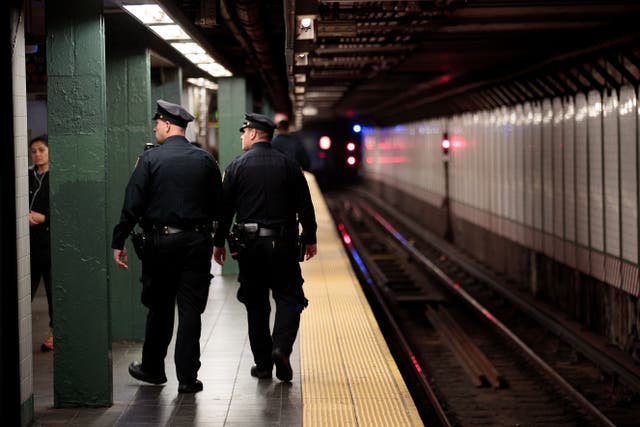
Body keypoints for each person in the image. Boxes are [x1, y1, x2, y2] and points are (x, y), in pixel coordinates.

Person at [112, 100, 223, 394]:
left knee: (160, 308)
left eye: (157, 123)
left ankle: (153, 369)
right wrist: (216, 238)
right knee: (190, 311)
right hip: (197, 243)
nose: (155, 127)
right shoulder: (206, 160)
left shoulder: (149, 160)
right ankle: (187, 378)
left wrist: (118, 239)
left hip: (161, 244)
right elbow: (219, 205)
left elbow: (132, 203)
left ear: (168, 125)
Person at [213, 112, 317, 382]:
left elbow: (225, 210)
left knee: (256, 303)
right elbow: (305, 205)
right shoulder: (289, 165)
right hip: (284, 244)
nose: (241, 137)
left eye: (243, 132)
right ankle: (281, 348)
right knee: (290, 297)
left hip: (250, 247)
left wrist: (218, 242)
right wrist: (310, 238)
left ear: (253, 134)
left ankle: (262, 365)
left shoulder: (236, 166)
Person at [29, 134, 53, 352]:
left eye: (41, 150)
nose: (37, 154)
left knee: (53, 295)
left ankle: (54, 333)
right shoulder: (26, 177)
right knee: (25, 292)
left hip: (49, 245)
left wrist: (45, 218)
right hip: (29, 246)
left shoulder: (55, 177)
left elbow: (65, 212)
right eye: (34, 151)